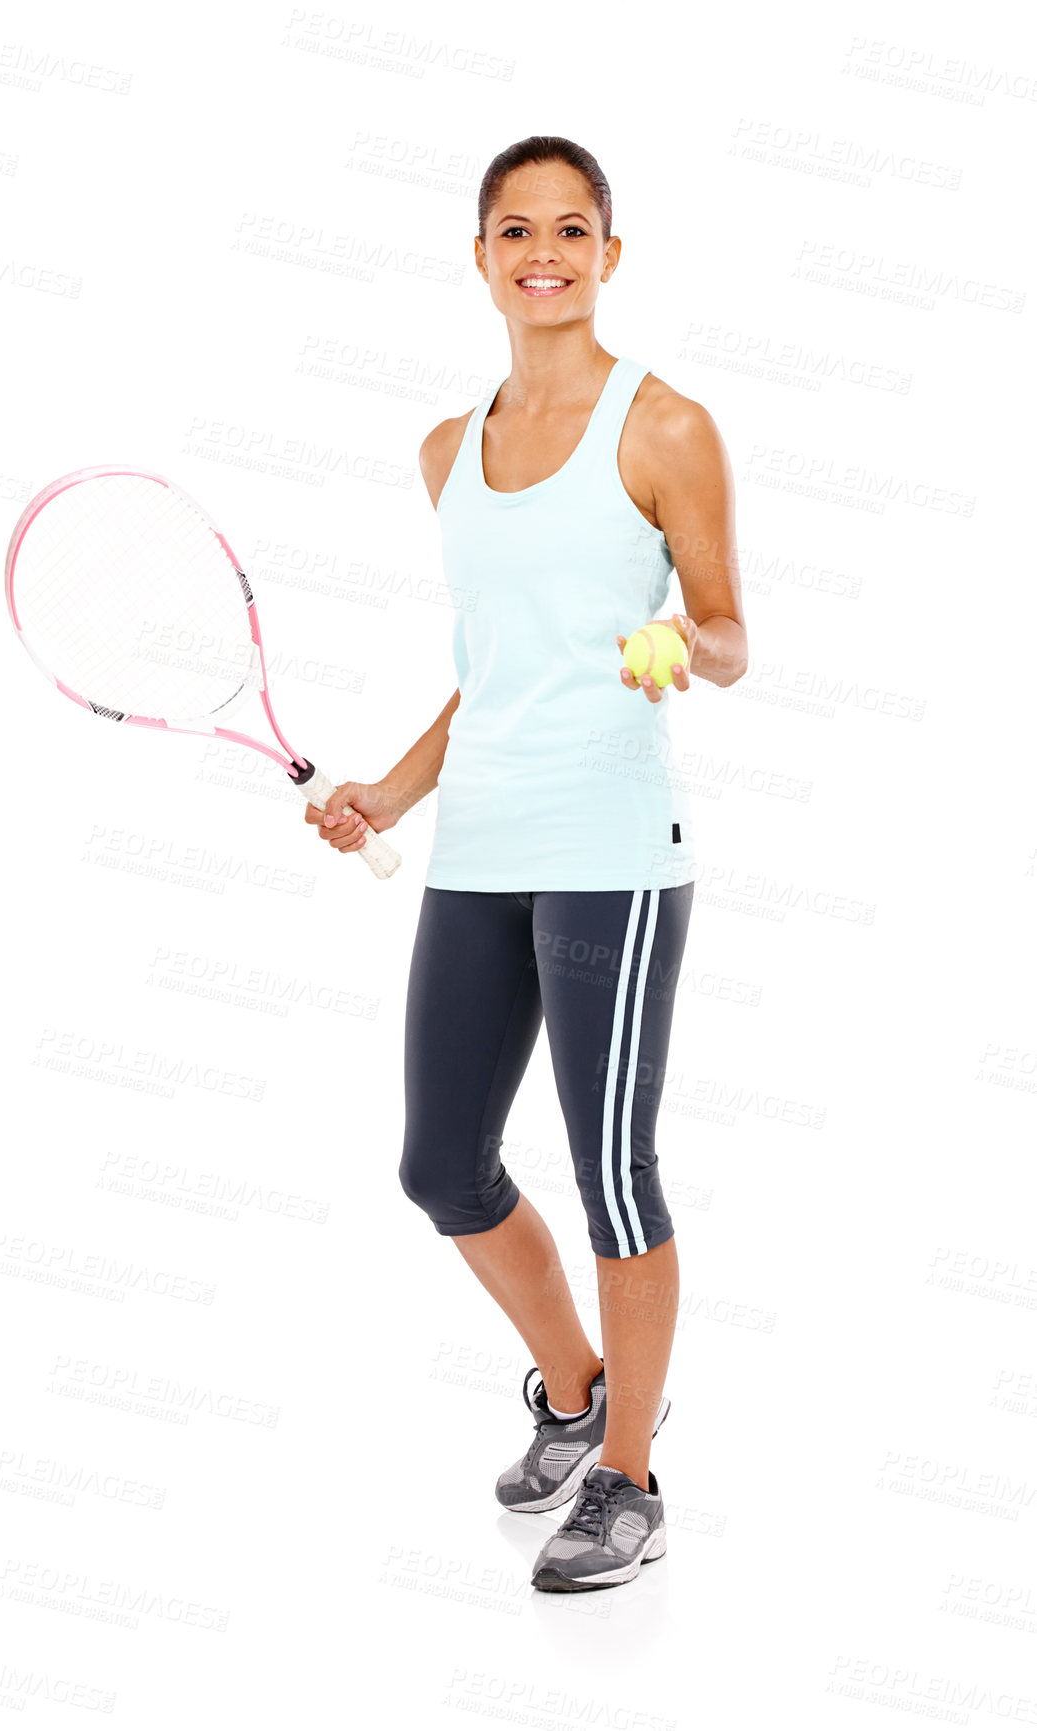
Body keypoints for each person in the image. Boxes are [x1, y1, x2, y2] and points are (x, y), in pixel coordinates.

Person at [305, 135, 746, 1593]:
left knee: (616, 1176)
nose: (541, 251)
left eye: (571, 229)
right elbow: (485, 675)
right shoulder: (449, 448)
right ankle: (578, 1394)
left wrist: (679, 639)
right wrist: (389, 787)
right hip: (480, 846)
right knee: (441, 1163)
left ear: (607, 254)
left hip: (611, 850)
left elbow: (731, 632)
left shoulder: (664, 425)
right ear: (482, 255)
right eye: (514, 229)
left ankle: (629, 1480)